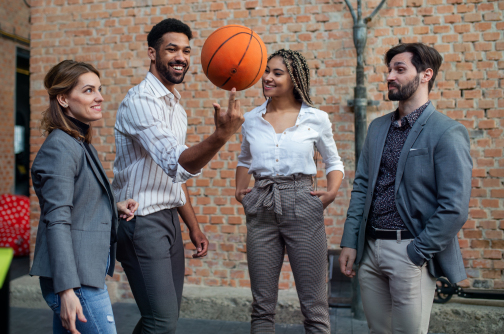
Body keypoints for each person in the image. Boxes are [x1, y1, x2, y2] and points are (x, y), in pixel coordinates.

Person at [113, 18, 244, 334]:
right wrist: (222, 135)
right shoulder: (141, 101)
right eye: (172, 49)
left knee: (163, 320)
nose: (181, 57)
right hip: (141, 220)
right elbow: (175, 163)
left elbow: (173, 178)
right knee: (162, 323)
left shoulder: (176, 107)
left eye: (186, 50)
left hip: (169, 219)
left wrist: (193, 227)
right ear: (152, 53)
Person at [339, 43, 472, 334]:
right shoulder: (377, 128)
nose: (390, 76)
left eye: (400, 69)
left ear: (426, 75)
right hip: (370, 251)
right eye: (389, 70)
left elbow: (454, 207)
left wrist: (417, 252)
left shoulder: (447, 132)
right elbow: (361, 187)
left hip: (411, 252)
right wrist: (350, 241)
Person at [235, 49, 344, 334]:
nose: (267, 77)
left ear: (294, 79)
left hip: (302, 202)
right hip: (262, 204)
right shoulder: (251, 118)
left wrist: (331, 192)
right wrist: (241, 190)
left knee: (314, 307)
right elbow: (245, 159)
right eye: (267, 71)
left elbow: (333, 161)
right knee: (261, 307)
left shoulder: (316, 118)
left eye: (276, 73)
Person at [30, 60, 139, 334]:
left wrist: (113, 206)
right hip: (75, 280)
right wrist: (66, 291)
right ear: (64, 99)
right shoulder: (61, 148)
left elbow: (77, 200)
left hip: (83, 274)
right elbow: (57, 221)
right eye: (89, 90)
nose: (100, 97)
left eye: (98, 89)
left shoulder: (77, 141)